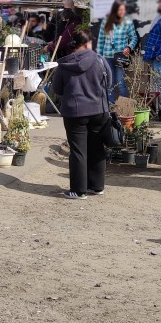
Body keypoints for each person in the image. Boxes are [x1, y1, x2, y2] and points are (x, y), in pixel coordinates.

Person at [51, 30, 111, 200]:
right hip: (99, 110)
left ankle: (78, 190)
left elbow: (57, 89)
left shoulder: (64, 64)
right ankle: (97, 186)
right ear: (88, 43)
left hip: (74, 112)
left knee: (78, 151)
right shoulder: (100, 60)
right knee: (97, 148)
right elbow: (109, 82)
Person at [97, 1, 137, 103]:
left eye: (123, 10)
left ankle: (126, 106)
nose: (122, 12)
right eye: (120, 10)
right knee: (109, 82)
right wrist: (99, 57)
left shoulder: (128, 22)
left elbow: (134, 38)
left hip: (120, 56)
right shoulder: (106, 21)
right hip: (107, 55)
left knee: (120, 82)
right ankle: (110, 106)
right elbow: (101, 40)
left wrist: (129, 47)